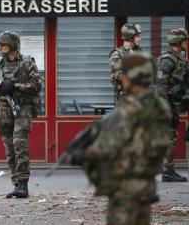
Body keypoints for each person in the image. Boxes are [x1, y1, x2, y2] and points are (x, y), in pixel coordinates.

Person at [69, 54, 172, 225]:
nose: (121, 79)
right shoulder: (160, 106)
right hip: (146, 185)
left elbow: (106, 148)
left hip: (125, 187)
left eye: (124, 74)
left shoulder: (129, 109)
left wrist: (82, 153)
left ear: (133, 76)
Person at [0, 31, 42, 198]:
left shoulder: (26, 62)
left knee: (19, 144)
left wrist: (16, 86)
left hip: (22, 108)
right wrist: (1, 85)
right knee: (9, 148)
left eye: (4, 44)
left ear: (13, 46)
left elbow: (37, 85)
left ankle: (23, 183)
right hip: (4, 110)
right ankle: (16, 183)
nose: (0, 47)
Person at [154, 28, 189, 182]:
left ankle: (168, 170)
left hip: (176, 103)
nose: (186, 43)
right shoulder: (168, 60)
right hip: (168, 104)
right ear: (178, 42)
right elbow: (160, 85)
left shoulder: (180, 59)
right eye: (184, 40)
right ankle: (167, 172)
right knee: (170, 137)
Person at [109, 23, 142, 102]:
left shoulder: (139, 53)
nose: (140, 39)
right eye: (137, 36)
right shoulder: (117, 54)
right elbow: (116, 76)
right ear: (130, 37)